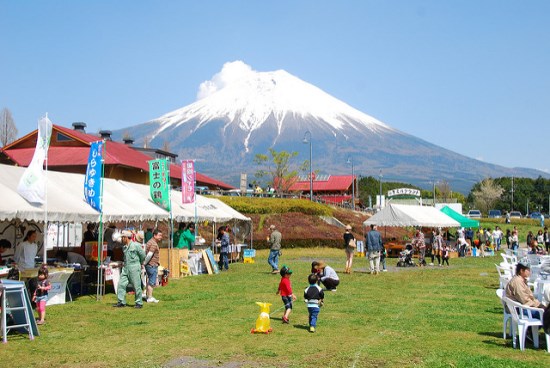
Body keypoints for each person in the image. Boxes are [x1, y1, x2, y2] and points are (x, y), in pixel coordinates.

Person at [113, 230, 146, 309]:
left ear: (126, 238)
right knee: (121, 284)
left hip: (134, 267)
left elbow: (143, 255)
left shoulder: (136, 245)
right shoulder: (124, 247)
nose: (121, 239)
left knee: (136, 285)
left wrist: (139, 263)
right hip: (126, 267)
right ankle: (121, 302)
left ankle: (139, 302)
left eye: (122, 237)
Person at [144, 228, 162, 303]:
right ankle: (150, 297)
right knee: (152, 282)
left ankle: (146, 295)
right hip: (151, 265)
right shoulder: (154, 244)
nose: (161, 237)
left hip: (150, 264)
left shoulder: (150, 241)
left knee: (150, 280)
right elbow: (149, 254)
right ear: (154, 235)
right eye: (159, 235)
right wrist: (144, 263)